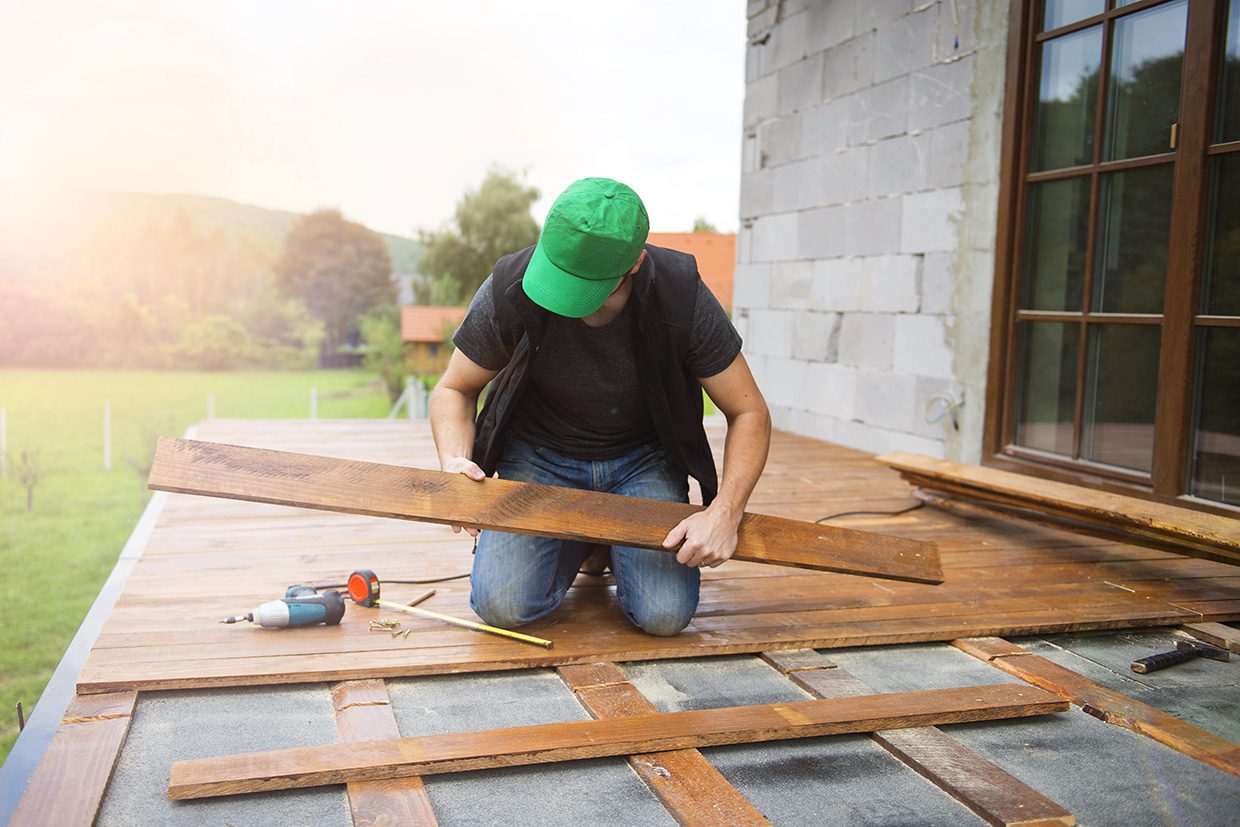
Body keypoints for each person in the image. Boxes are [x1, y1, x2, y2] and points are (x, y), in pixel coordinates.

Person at [429, 177, 770, 636]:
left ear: (634, 263)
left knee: (663, 616)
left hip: (642, 459)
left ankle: (596, 541)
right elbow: (454, 388)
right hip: (538, 454)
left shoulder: (680, 295)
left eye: (583, 287)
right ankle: (590, 542)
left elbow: (749, 412)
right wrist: (454, 463)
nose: (562, 301)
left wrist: (725, 513)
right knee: (501, 607)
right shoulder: (511, 284)